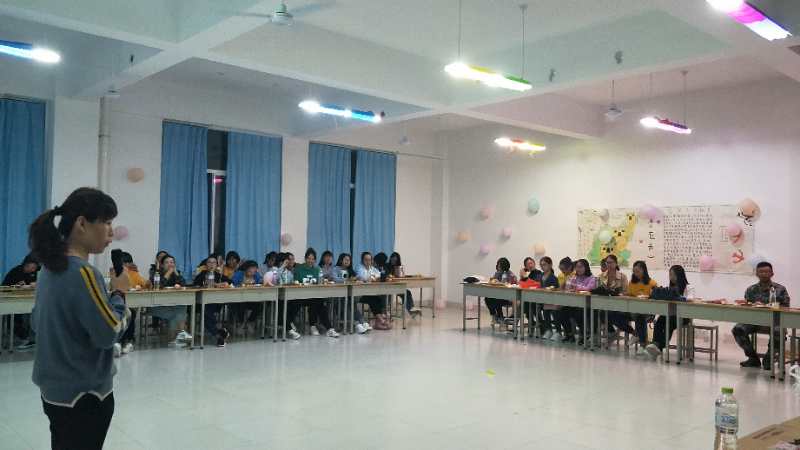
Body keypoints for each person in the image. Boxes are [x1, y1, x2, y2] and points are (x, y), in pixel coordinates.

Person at [29, 187, 131, 450]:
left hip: (55, 390)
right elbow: (109, 332)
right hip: (85, 394)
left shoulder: (48, 269)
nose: (111, 232)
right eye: (106, 222)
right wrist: (120, 293)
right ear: (82, 224)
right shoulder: (84, 273)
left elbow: (36, 322)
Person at [732, 261, 790, 369]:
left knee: (778, 331)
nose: (764, 274)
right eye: (761, 272)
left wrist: (767, 305)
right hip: (754, 321)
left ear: (772, 273)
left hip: (775, 321)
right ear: (756, 274)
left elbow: (786, 307)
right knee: (738, 329)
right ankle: (753, 358)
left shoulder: (780, 289)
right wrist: (747, 304)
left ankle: (769, 359)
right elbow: (747, 307)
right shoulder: (751, 289)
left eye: (767, 272)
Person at [645, 265, 696, 359]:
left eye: (673, 275)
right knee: (660, 320)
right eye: (670, 275)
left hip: (684, 316)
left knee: (670, 323)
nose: (671, 277)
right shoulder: (670, 288)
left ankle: (658, 346)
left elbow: (690, 299)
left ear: (679, 275)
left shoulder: (688, 287)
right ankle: (656, 344)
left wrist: (678, 297)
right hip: (671, 314)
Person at [293, 248, 339, 338]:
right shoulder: (299, 268)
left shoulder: (317, 269)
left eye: (312, 259)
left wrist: (323, 281)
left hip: (313, 295)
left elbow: (320, 281)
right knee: (310, 302)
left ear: (315, 260)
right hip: (300, 296)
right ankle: (312, 325)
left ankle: (328, 328)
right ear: (305, 258)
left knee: (320, 302)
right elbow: (296, 282)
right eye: (309, 258)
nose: (310, 261)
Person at [148, 254, 192, 346]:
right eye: (167, 262)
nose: (170, 264)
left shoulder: (176, 274)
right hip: (156, 305)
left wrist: (176, 273)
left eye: (172, 262)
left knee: (182, 306)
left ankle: (175, 339)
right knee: (177, 314)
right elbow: (158, 286)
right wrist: (168, 273)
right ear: (162, 265)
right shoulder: (156, 274)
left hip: (173, 305)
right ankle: (179, 335)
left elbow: (184, 285)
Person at [115, 252, 150, 356]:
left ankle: (128, 341)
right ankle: (119, 341)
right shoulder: (115, 273)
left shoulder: (134, 274)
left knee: (130, 313)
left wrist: (147, 283)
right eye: (123, 263)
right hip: (118, 303)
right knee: (121, 314)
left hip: (131, 304)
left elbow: (146, 284)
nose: (125, 266)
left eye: (127, 263)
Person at [2, 254, 40, 349]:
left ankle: (31, 338)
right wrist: (16, 286)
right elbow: (4, 287)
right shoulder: (15, 271)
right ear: (26, 265)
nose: (33, 270)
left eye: (35, 268)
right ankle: (24, 337)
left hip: (31, 300)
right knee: (16, 318)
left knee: (34, 314)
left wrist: (35, 284)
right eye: (32, 268)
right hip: (13, 301)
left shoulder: (38, 271)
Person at [194, 255, 231, 347]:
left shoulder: (219, 275)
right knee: (206, 312)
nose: (211, 264)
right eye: (209, 262)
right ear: (206, 265)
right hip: (202, 301)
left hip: (216, 301)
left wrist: (223, 284)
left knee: (206, 313)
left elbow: (230, 282)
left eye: (214, 262)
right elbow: (195, 285)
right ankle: (219, 334)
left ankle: (219, 331)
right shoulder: (202, 274)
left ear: (216, 265)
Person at [598, 254, 632, 340]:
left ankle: (632, 332)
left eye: (611, 262)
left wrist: (617, 294)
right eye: (607, 263)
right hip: (604, 303)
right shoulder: (601, 276)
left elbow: (626, 292)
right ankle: (610, 332)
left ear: (616, 263)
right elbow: (598, 290)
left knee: (610, 314)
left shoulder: (622, 276)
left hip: (619, 304)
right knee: (598, 312)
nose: (609, 264)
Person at [627, 260, 658, 353]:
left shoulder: (652, 283)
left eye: (638, 271)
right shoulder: (631, 283)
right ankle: (636, 334)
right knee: (616, 314)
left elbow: (656, 298)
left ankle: (642, 343)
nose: (636, 274)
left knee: (640, 316)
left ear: (644, 270)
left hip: (648, 312)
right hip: (633, 309)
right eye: (634, 271)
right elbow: (629, 295)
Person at [335, 253, 371, 334]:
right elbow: (335, 279)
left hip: (349, 295)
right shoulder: (336, 269)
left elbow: (358, 277)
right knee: (346, 303)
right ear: (341, 260)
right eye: (346, 260)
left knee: (352, 304)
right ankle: (356, 324)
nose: (347, 261)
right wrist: (349, 280)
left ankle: (363, 322)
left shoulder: (350, 270)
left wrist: (358, 279)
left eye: (349, 260)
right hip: (338, 296)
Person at [356, 252, 390, 329]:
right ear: (362, 260)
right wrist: (372, 277)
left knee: (379, 298)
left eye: (369, 260)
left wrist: (373, 277)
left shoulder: (373, 269)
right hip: (360, 294)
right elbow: (363, 277)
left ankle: (379, 320)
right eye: (366, 260)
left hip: (370, 293)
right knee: (373, 299)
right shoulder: (359, 268)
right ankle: (381, 320)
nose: (368, 262)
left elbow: (379, 275)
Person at [230, 260, 264, 333]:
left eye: (254, 270)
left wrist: (261, 281)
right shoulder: (239, 274)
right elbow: (232, 284)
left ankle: (250, 321)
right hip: (238, 298)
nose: (252, 273)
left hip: (252, 298)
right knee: (240, 304)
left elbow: (261, 282)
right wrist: (241, 284)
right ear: (245, 269)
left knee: (260, 305)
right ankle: (241, 323)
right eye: (250, 270)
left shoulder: (256, 274)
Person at [485, 257, 518, 325]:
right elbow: (493, 281)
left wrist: (503, 283)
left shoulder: (510, 274)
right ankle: (494, 315)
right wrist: (493, 280)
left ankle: (500, 317)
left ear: (503, 266)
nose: (498, 266)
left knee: (497, 299)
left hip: (508, 297)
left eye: (499, 265)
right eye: (498, 264)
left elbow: (513, 284)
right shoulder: (497, 273)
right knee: (487, 298)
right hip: (498, 295)